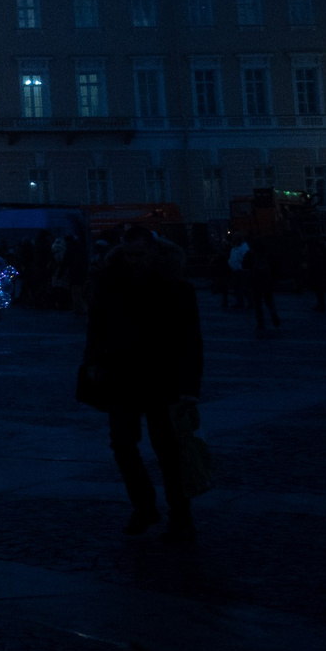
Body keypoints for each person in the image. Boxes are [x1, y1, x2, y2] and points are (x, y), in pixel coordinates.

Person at [82, 220, 203, 542]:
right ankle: (144, 505)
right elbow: (97, 324)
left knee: (168, 450)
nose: (133, 261)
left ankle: (180, 515)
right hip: (122, 374)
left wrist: (189, 388)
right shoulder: (112, 281)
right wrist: (93, 360)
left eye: (139, 255)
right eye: (129, 254)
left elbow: (191, 340)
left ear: (153, 252)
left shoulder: (176, 286)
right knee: (122, 444)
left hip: (162, 377)